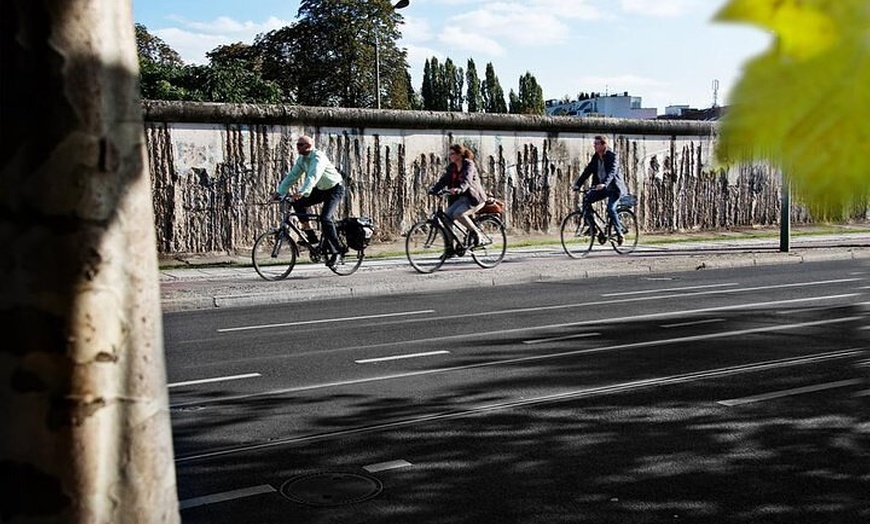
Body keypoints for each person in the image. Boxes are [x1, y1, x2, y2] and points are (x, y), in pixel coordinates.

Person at [273, 135, 346, 264]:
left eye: (300, 145)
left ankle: (337, 251)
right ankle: (311, 236)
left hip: (335, 189)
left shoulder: (318, 157)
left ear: (308, 146)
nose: (297, 147)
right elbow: (292, 176)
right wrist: (280, 192)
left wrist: (302, 192)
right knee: (298, 203)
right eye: (297, 145)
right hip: (320, 189)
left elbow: (313, 176)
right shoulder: (302, 159)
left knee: (325, 218)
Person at [428, 144, 488, 247]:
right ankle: (450, 248)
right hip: (461, 199)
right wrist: (434, 189)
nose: (450, 156)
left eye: (452, 154)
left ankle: (478, 234)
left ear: (459, 154)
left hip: (474, 199)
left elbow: (466, 180)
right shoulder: (452, 167)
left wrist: (459, 189)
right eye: (449, 154)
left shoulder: (469, 165)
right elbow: (444, 180)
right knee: (446, 218)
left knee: (458, 214)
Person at [572, 135, 628, 244]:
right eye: (594, 144)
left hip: (614, 189)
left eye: (597, 144)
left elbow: (612, 172)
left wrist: (604, 183)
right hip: (602, 188)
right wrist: (578, 184)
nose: (594, 146)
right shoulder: (596, 157)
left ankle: (619, 233)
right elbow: (587, 171)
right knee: (586, 200)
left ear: (604, 145)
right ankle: (594, 229)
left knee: (611, 209)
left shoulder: (612, 156)